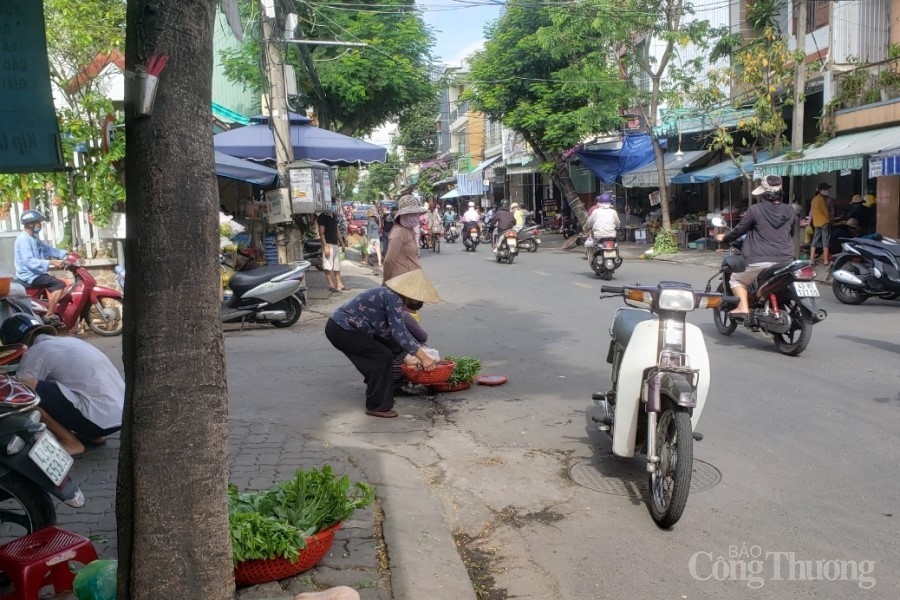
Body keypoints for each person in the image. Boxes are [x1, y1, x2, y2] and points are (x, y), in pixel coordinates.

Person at [0, 314, 124, 457]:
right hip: (117, 418)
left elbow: (21, 387)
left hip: (96, 421)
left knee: (24, 391)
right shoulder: (71, 341)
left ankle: (70, 442)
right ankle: (94, 436)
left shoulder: (35, 352)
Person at [325, 269, 440, 418]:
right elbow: (400, 334)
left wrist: (416, 353)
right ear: (411, 294)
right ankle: (376, 406)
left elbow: (395, 331)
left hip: (347, 327)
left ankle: (386, 390)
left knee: (386, 352)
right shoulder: (393, 298)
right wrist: (424, 358)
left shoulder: (391, 295)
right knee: (381, 356)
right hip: (342, 328)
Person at [715, 175, 797, 317]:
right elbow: (791, 232)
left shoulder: (755, 210)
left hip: (759, 259)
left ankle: (743, 307)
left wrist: (724, 238)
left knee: (736, 279)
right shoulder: (790, 211)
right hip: (786, 260)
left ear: (764, 194)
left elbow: (739, 230)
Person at [14, 210, 67, 321]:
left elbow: (48, 250)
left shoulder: (34, 238)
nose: (40, 225)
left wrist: (65, 253)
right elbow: (29, 261)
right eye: (38, 222)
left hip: (36, 273)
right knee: (59, 284)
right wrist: (51, 262)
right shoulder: (23, 239)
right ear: (30, 224)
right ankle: (50, 314)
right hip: (30, 276)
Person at [382, 195, 428, 282]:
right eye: (411, 214)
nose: (415, 217)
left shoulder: (410, 231)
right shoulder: (399, 232)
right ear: (403, 215)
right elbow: (388, 261)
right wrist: (386, 281)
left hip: (412, 279)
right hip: (401, 281)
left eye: (415, 214)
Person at [317, 204, 349, 293]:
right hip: (328, 244)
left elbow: (337, 230)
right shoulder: (322, 217)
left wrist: (342, 243)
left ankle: (339, 284)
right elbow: (321, 232)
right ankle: (331, 285)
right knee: (328, 266)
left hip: (335, 243)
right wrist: (325, 246)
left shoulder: (334, 216)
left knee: (337, 266)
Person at [809, 183, 833, 266]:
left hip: (816, 223)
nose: (827, 191)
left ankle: (811, 259)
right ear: (821, 190)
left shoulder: (814, 199)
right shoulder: (822, 199)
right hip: (824, 223)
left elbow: (811, 212)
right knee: (825, 241)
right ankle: (826, 260)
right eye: (826, 189)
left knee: (814, 241)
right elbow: (826, 212)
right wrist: (830, 219)